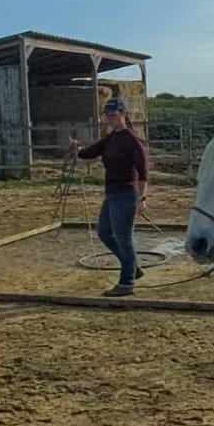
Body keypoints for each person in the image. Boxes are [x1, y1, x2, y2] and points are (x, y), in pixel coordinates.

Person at [69, 99, 148, 298]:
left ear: (123, 114)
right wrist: (77, 150)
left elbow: (143, 171)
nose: (110, 118)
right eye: (108, 115)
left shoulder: (132, 140)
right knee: (104, 232)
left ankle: (126, 282)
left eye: (113, 114)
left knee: (124, 239)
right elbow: (91, 152)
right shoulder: (110, 138)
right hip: (111, 193)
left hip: (126, 194)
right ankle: (132, 267)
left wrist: (142, 198)